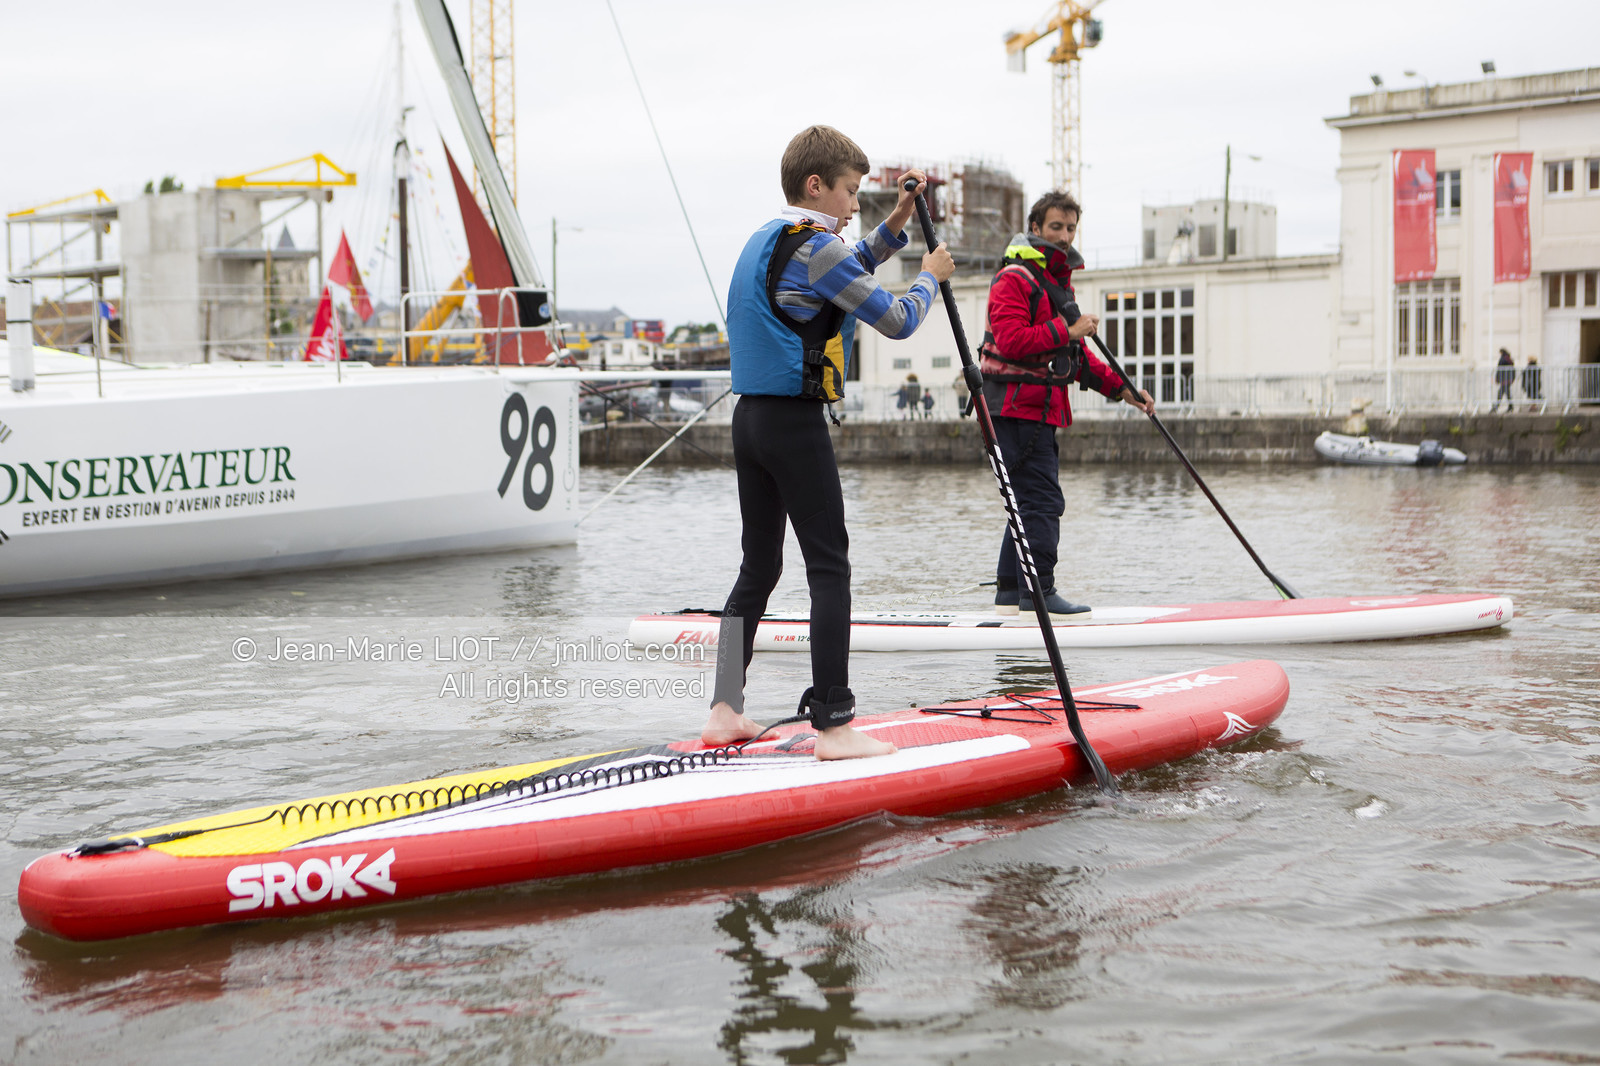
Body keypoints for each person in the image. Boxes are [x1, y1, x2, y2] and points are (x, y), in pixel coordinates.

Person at [703, 126, 955, 760]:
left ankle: (724, 710)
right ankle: (835, 725)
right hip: (794, 426)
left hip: (749, 421)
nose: (854, 207)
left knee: (758, 567)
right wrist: (928, 277)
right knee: (829, 566)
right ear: (816, 186)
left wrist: (896, 223)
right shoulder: (818, 249)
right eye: (849, 192)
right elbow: (896, 320)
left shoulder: (769, 240)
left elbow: (847, 268)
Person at [978, 191, 1154, 618]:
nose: (1063, 236)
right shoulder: (1014, 279)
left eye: (1070, 228)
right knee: (1041, 501)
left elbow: (1073, 361)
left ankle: (1009, 590)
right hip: (1015, 410)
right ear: (1035, 228)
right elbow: (1013, 340)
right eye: (1055, 227)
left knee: (1023, 500)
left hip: (1037, 410)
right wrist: (1068, 328)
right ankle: (1040, 593)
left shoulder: (1053, 283)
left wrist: (1124, 390)